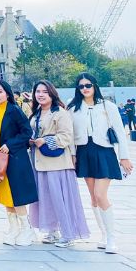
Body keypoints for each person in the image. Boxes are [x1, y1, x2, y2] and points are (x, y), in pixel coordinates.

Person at [69, 72, 132, 254]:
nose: (85, 89)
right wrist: (73, 155)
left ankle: (112, 237)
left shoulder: (107, 106)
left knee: (100, 194)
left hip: (103, 151)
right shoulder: (74, 108)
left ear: (94, 86)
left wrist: (124, 156)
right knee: (93, 197)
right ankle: (103, 234)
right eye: (81, 86)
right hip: (84, 151)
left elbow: (120, 131)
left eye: (88, 85)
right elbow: (71, 135)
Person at [28, 80, 89, 248]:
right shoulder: (37, 113)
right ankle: (52, 230)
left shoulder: (60, 113)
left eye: (44, 92)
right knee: (46, 198)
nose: (40, 95)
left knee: (60, 199)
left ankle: (68, 234)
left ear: (52, 94)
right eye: (38, 91)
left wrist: (45, 140)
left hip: (57, 163)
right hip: (39, 162)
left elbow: (66, 136)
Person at [0, 79, 38, 246]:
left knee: (16, 194)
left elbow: (27, 132)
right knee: (5, 195)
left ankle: (27, 229)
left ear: (7, 93)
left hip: (13, 159)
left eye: (0, 91)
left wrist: (9, 145)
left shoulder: (14, 110)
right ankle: (14, 228)